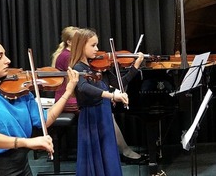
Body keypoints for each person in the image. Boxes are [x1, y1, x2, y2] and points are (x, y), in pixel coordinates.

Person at [0, 38, 79, 175]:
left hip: (23, 166)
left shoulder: (19, 91)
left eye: (5, 55)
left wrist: (67, 92)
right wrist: (26, 142)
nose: (8, 60)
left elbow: (45, 120)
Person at [51, 26, 146, 163]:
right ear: (82, 46)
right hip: (92, 117)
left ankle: (123, 152)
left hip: (104, 114)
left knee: (108, 155)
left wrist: (135, 67)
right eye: (93, 45)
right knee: (95, 158)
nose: (97, 49)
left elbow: (120, 83)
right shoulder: (78, 68)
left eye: (97, 45)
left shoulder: (100, 67)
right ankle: (125, 151)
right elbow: (83, 87)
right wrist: (111, 96)